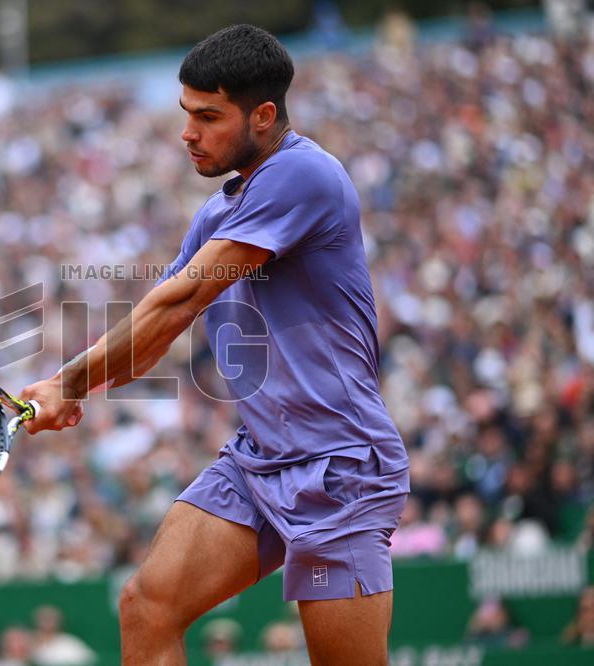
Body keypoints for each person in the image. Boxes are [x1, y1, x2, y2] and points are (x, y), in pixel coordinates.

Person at [20, 24, 410, 665]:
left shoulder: (305, 173)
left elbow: (179, 300)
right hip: (258, 460)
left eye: (208, 116)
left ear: (263, 115)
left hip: (339, 467)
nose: (188, 133)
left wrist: (67, 381)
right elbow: (156, 334)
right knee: (147, 607)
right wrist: (72, 389)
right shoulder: (218, 210)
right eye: (185, 114)